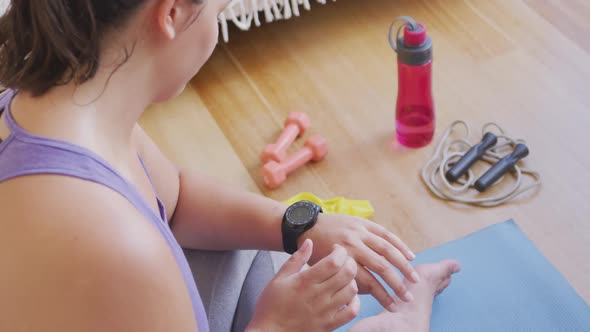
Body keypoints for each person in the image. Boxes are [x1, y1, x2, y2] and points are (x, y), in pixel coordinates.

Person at [0, 1, 460, 331]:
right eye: (220, 12)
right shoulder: (119, 248)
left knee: (260, 249)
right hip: (126, 287)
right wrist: (278, 325)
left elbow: (175, 201)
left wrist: (299, 225)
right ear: (173, 13)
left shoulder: (58, 110)